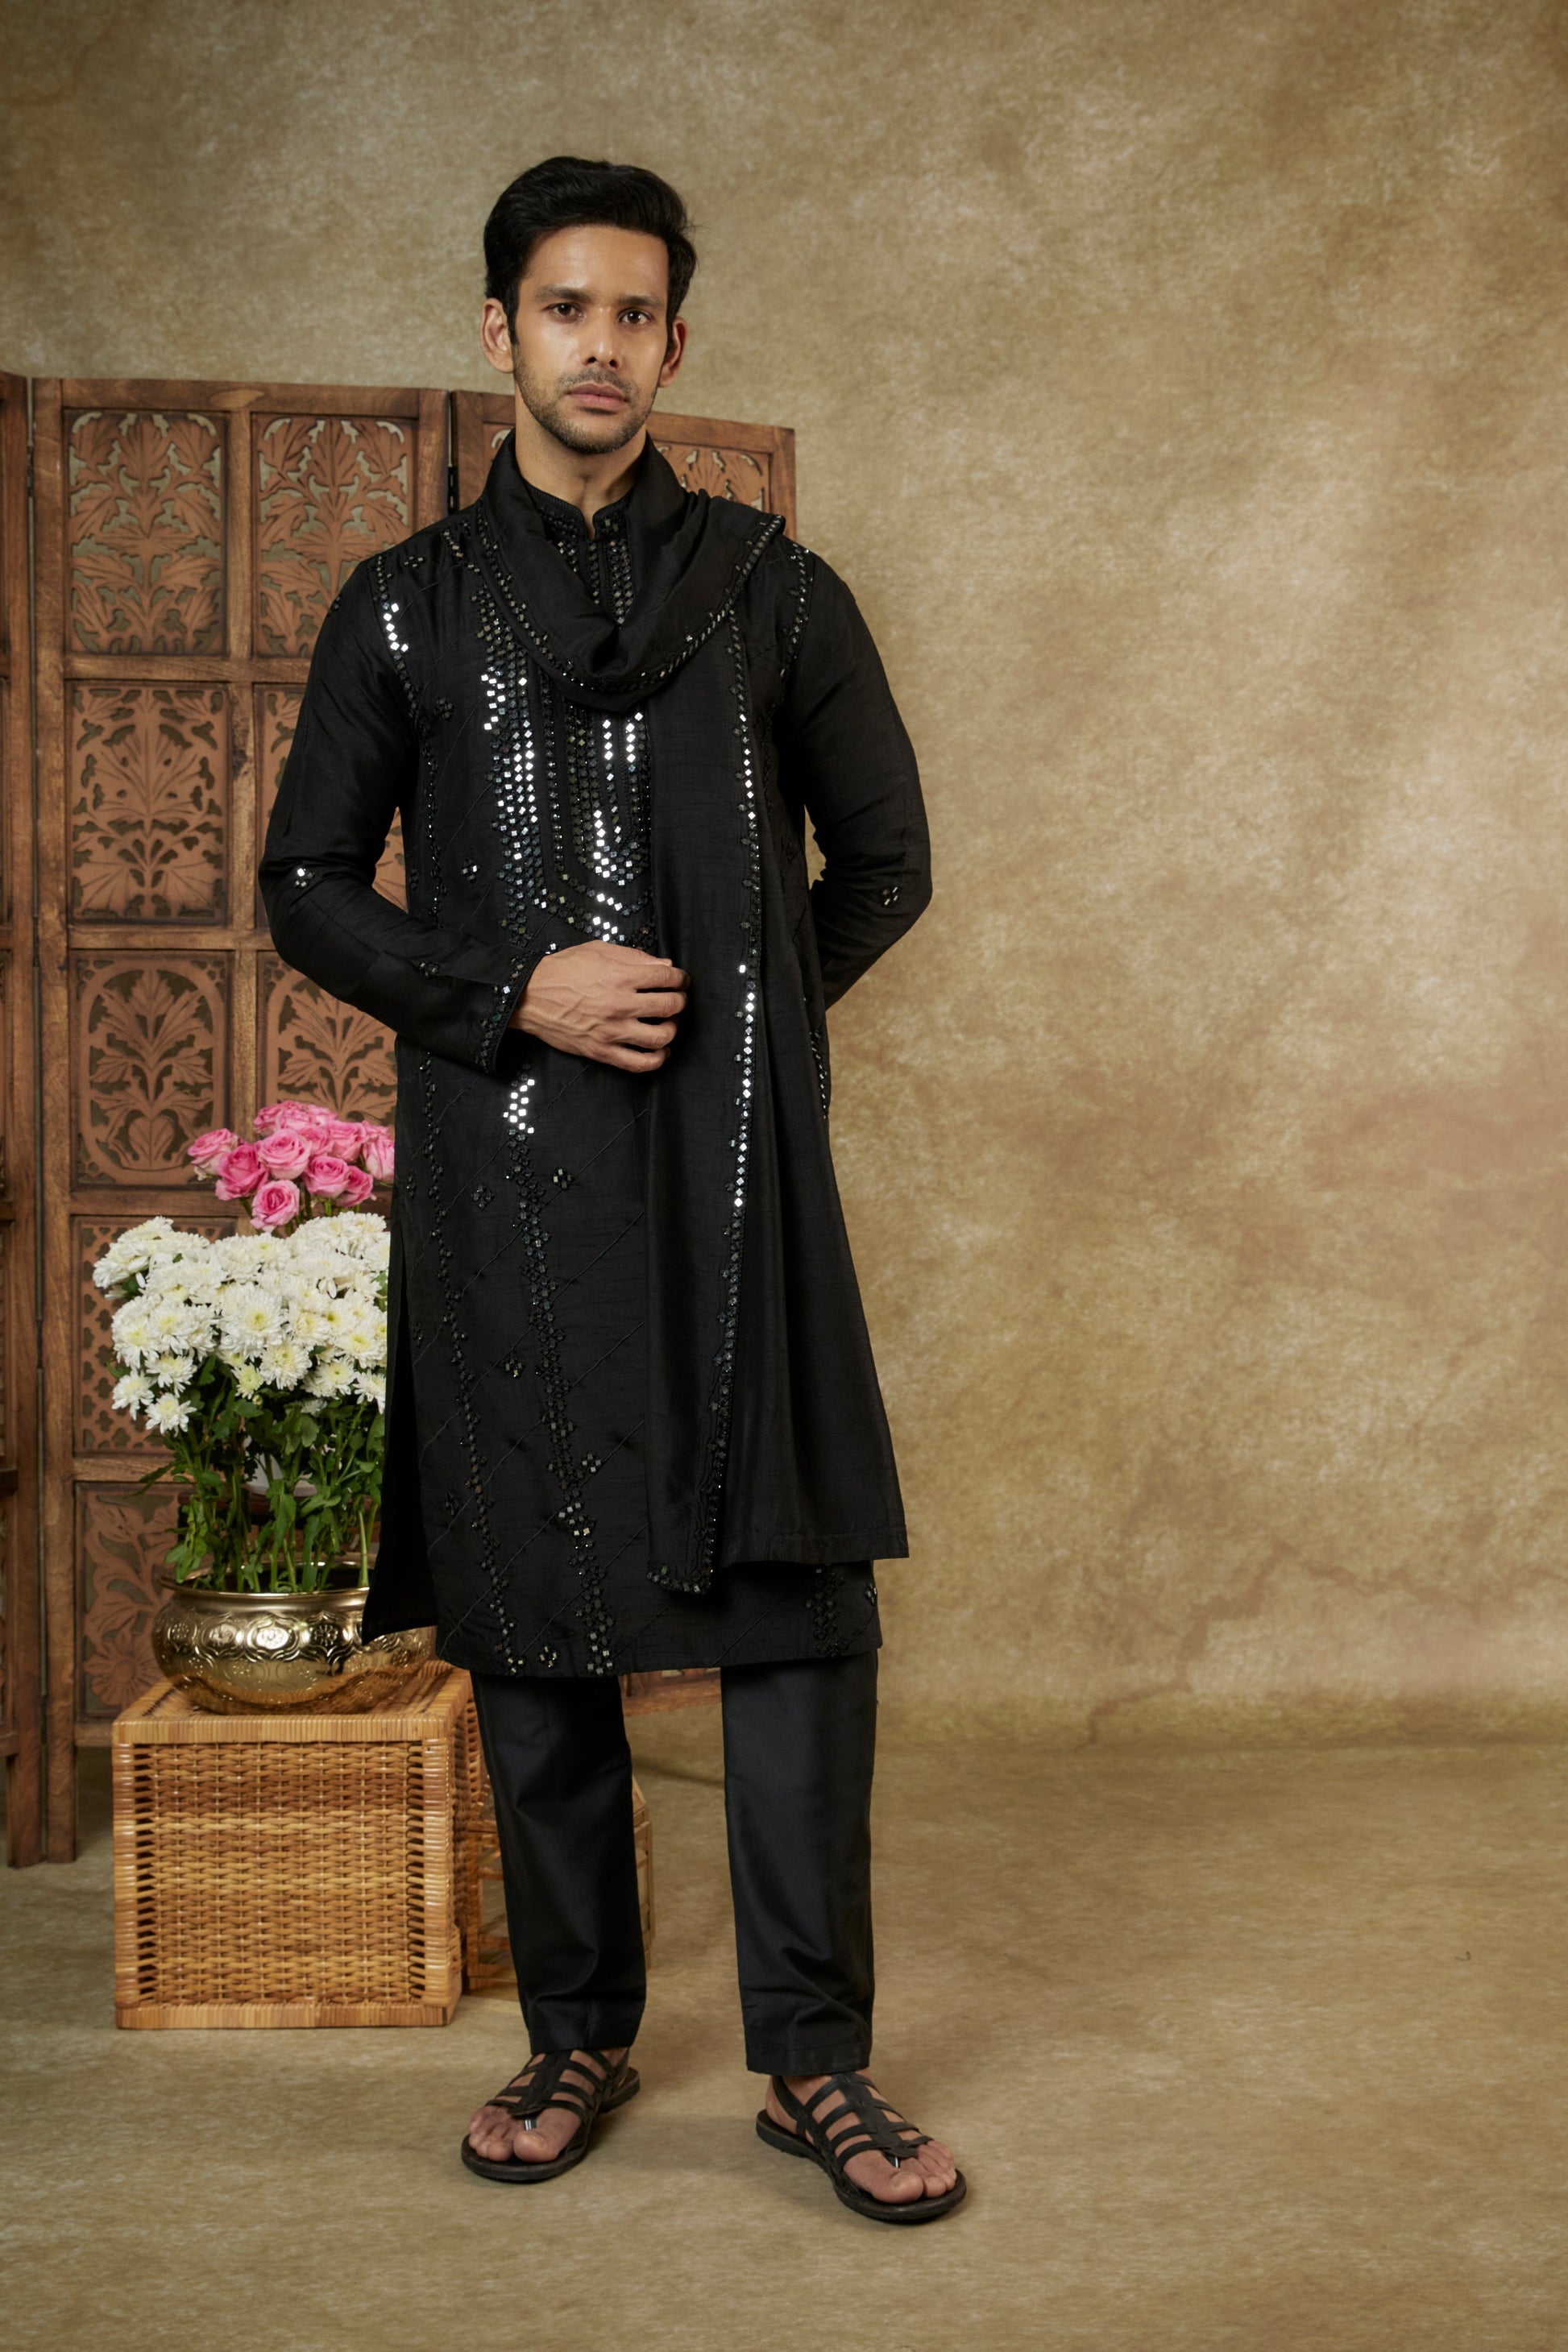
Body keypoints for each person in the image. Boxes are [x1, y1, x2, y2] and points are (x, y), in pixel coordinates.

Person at [259, 156, 961, 2224]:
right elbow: (306, 880)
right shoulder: (404, 603)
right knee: (532, 1598)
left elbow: (887, 859)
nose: (600, 345)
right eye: (564, 307)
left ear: (675, 340)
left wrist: (747, 1027)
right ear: (500, 331)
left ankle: (814, 2060)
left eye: (636, 312)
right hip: (507, 1177)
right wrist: (509, 992)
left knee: (795, 1608)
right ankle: (575, 2030)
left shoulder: (774, 590)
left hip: (741, 1193)